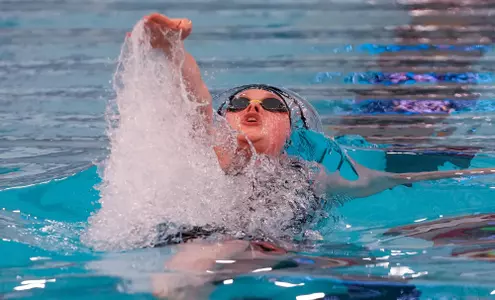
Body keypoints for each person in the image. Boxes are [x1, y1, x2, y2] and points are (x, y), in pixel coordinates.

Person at [129, 13, 495, 298]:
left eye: (271, 106)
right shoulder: (213, 157)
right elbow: (197, 107)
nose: (252, 110)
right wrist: (175, 52)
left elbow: (399, 180)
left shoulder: (311, 173)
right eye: (240, 103)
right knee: (188, 268)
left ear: (293, 132)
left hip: (282, 249)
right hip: (202, 240)